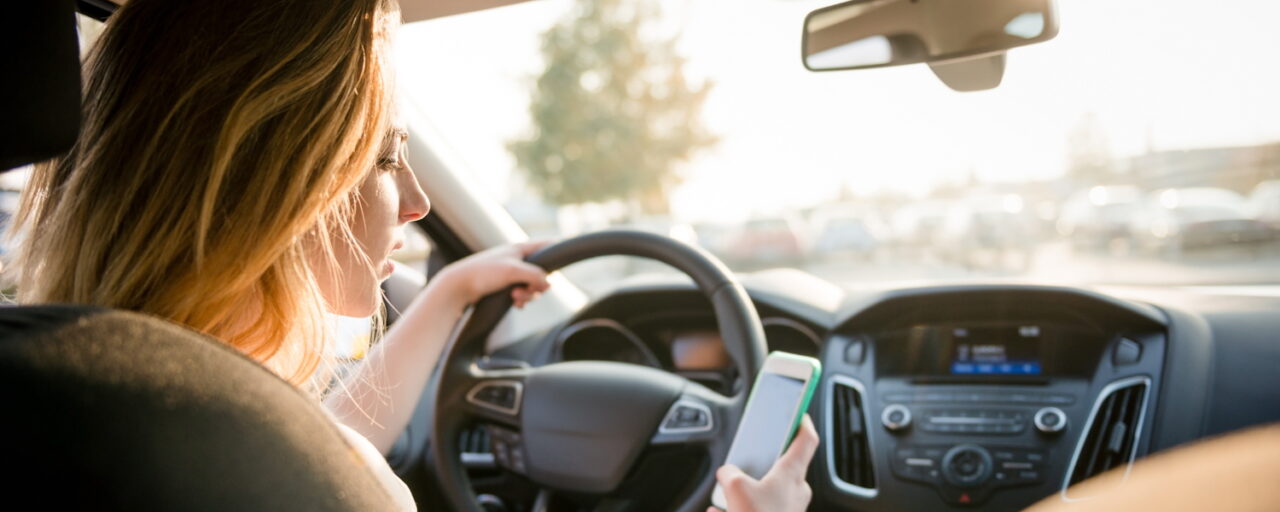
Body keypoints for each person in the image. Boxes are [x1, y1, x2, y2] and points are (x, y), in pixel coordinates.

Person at [7, 0, 816, 510]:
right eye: (388, 156)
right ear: (279, 188)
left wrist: (443, 300)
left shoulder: (99, 408)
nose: (421, 204)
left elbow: (303, 440)